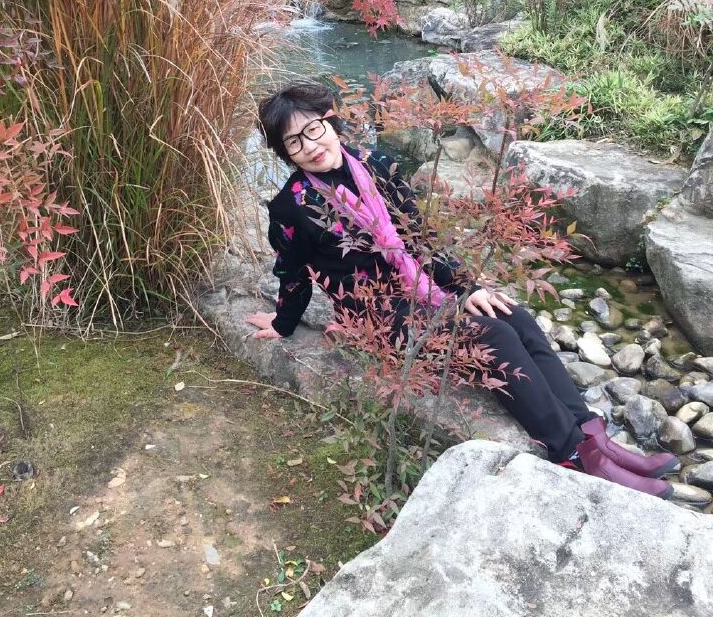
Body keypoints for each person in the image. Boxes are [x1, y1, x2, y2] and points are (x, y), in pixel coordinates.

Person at [247, 81, 679, 498]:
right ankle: (570, 451)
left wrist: (467, 287)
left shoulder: (375, 163)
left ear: (330, 120)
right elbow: (293, 273)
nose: (310, 146)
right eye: (293, 143)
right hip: (376, 312)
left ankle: (591, 435)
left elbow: (420, 237)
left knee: (510, 314)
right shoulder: (292, 206)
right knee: (491, 336)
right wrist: (283, 322)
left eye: (313, 129)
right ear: (285, 153)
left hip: (417, 286)